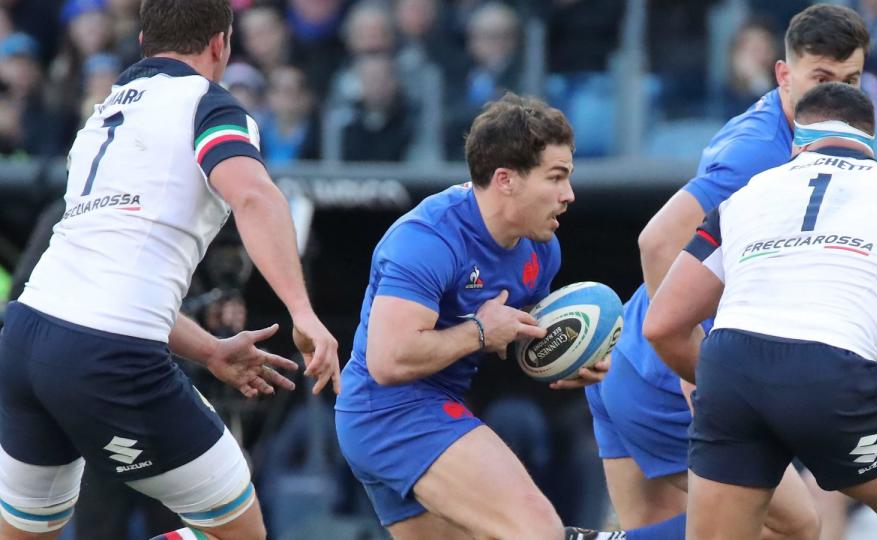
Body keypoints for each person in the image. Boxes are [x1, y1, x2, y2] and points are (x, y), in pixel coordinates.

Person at [0, 1, 340, 539]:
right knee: (240, 533)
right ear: (220, 45)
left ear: (142, 40)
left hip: (24, 341)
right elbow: (254, 195)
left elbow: (108, 279)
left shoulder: (102, 115)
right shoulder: (208, 103)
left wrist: (208, 349)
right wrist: (303, 312)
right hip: (108, 354)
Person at [578, 5, 870, 539]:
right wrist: (694, 366)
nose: (837, 99)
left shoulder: (798, 133)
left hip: (630, 366)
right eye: (821, 80)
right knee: (798, 526)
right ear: (784, 75)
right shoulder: (758, 153)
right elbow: (658, 240)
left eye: (851, 81)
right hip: (664, 380)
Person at [643, 82, 877, 540]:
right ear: (872, 137)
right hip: (832, 371)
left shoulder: (745, 196)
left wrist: (738, 386)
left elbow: (663, 325)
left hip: (729, 372)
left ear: (795, 138)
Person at [334, 93, 609, 539]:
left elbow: (517, 338)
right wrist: (480, 332)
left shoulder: (541, 247)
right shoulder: (428, 239)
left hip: (419, 411)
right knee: (538, 530)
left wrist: (568, 357)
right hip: (391, 410)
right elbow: (389, 361)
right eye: (556, 178)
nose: (569, 195)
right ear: (505, 179)